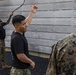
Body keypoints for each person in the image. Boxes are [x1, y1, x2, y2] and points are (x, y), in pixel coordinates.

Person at [10, 4, 38, 75]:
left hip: (21, 69)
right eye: (23, 24)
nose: (26, 25)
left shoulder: (19, 32)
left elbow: (27, 22)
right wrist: (31, 62)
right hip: (19, 71)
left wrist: (32, 12)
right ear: (17, 26)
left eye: (25, 23)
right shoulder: (17, 38)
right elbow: (20, 56)